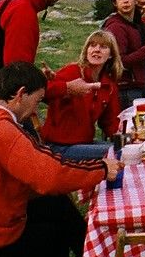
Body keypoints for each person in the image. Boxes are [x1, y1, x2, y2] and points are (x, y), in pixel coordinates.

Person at [0, 62, 118, 257]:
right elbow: (52, 177)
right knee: (54, 229)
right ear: (21, 94)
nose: (35, 110)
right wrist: (101, 169)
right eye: (38, 100)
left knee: (54, 205)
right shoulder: (1, 131)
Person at [40, 30, 123, 161]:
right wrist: (67, 88)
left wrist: (125, 136)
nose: (97, 50)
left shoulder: (109, 86)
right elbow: (43, 93)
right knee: (117, 153)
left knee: (125, 150)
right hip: (58, 147)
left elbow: (111, 123)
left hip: (85, 143)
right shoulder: (72, 72)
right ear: (86, 51)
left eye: (103, 47)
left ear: (111, 55)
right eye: (92, 45)